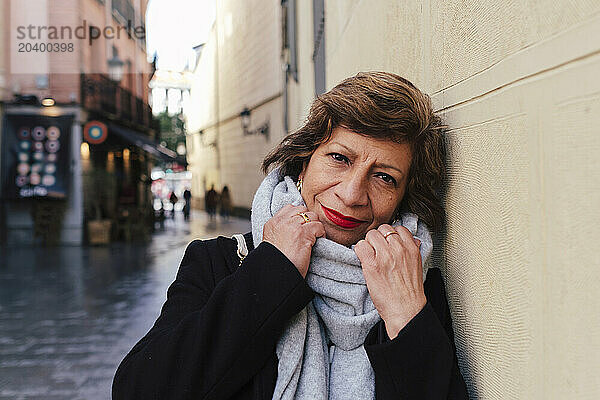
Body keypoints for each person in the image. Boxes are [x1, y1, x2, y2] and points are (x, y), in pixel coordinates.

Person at [113, 72, 468, 399]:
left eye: (384, 177)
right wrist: (272, 271)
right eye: (339, 158)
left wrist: (406, 315)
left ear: (403, 201)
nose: (352, 194)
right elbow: (139, 390)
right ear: (303, 162)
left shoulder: (413, 287)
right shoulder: (221, 263)